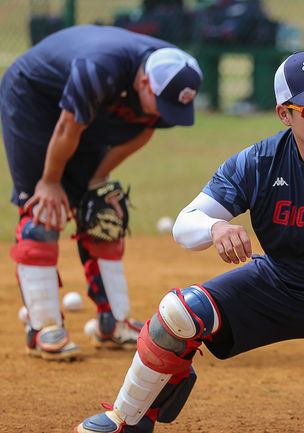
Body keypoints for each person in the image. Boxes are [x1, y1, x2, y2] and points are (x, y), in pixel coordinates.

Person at [75, 51, 304, 433]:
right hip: (280, 285)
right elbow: (185, 225)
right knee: (177, 315)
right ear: (284, 114)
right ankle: (129, 419)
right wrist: (215, 229)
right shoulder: (260, 162)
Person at [0, 25, 202, 361]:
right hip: (34, 98)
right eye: (160, 103)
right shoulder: (100, 69)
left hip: (90, 109)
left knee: (101, 210)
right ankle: (42, 328)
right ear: (142, 83)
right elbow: (68, 126)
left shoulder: (175, 79)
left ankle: (113, 321)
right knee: (43, 212)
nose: (163, 113)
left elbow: (143, 129)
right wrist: (50, 181)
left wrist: (97, 178)